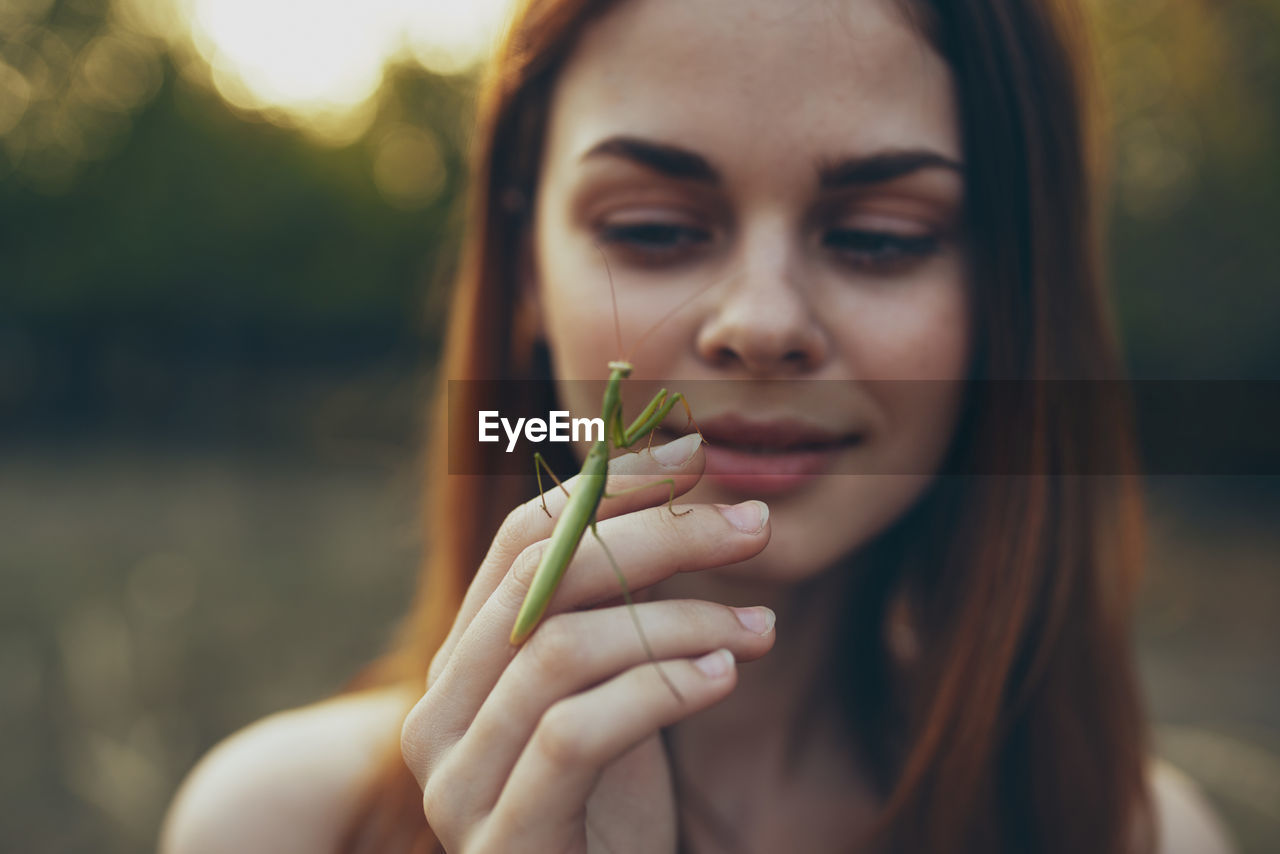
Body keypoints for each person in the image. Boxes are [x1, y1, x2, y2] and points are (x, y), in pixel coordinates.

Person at [159, 0, 1236, 851]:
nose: (757, 324)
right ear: (524, 265)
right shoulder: (276, 826)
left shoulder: (1146, 836)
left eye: (877, 236)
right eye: (653, 228)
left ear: (1013, 292)